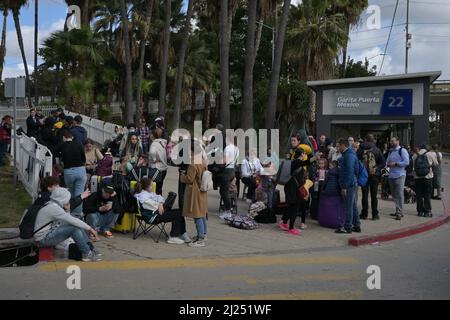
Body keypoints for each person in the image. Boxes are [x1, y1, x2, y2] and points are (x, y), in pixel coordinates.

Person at [33, 187, 102, 262]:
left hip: (47, 234)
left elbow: (68, 220)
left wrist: (68, 209)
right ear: (62, 199)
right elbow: (72, 220)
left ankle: (89, 249)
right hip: (43, 239)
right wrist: (90, 228)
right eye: (67, 199)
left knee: (77, 224)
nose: (68, 201)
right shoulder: (54, 208)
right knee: (74, 228)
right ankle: (87, 253)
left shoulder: (52, 204)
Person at [135, 177, 191, 244]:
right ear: (146, 187)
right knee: (177, 214)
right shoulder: (142, 197)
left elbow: (160, 197)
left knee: (180, 211)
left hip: (157, 213)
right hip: (152, 217)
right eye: (151, 185)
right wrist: (159, 204)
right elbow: (154, 206)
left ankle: (182, 233)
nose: (152, 187)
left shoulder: (149, 193)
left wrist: (161, 204)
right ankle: (173, 236)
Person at [279, 134, 314, 235]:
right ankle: (291, 228)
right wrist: (315, 157)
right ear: (301, 155)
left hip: (291, 187)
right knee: (294, 207)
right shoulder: (297, 162)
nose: (304, 156)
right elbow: (307, 162)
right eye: (303, 154)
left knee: (290, 206)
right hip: (293, 188)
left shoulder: (293, 162)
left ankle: (284, 222)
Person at [180, 143, 208, 247]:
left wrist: (182, 176)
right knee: (202, 213)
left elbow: (189, 179)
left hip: (195, 192)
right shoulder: (203, 162)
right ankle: (203, 234)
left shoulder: (193, 164)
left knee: (197, 215)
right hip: (203, 191)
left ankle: (200, 239)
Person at [54, 131, 87, 217]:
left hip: (68, 171)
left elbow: (55, 153)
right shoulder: (78, 144)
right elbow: (83, 158)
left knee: (71, 192)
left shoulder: (62, 145)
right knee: (79, 193)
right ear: (72, 137)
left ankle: (71, 212)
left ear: (64, 137)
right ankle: (77, 214)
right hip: (80, 170)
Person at [335, 138, 361, 234]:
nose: (337, 148)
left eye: (338, 146)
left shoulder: (349, 155)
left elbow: (350, 172)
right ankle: (357, 225)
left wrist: (344, 186)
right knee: (353, 205)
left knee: (348, 206)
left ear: (343, 145)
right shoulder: (349, 154)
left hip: (349, 185)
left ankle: (347, 227)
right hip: (351, 183)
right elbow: (356, 170)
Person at [357, 134, 385, 221]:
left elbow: (357, 161)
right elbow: (383, 163)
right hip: (374, 175)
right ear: (373, 140)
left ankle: (364, 214)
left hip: (364, 175)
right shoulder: (377, 150)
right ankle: (375, 214)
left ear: (365, 139)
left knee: (364, 195)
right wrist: (377, 168)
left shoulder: (360, 149)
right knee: (374, 196)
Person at [386, 137, 410, 221]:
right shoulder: (391, 151)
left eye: (393, 141)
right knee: (394, 195)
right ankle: (397, 210)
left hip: (400, 175)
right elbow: (387, 162)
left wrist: (396, 164)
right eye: (391, 141)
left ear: (397, 141)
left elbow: (406, 162)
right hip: (391, 175)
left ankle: (400, 212)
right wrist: (388, 165)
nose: (391, 142)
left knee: (399, 194)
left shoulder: (402, 150)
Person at [412, 145, 439, 218]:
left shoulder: (415, 155)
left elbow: (413, 166)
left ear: (420, 148)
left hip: (418, 178)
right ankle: (427, 212)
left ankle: (420, 211)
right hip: (428, 177)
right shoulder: (430, 154)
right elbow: (436, 163)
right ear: (427, 148)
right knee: (427, 195)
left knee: (419, 195)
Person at [218, 134, 239, 218]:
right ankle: (227, 210)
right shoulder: (236, 148)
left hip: (226, 171)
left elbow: (225, 161)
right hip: (232, 171)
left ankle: (228, 211)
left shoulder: (227, 148)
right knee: (224, 191)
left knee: (224, 192)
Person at [149, 127, 168, 195]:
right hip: (164, 168)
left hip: (157, 169)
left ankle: (156, 203)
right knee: (159, 188)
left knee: (155, 188)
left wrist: (154, 159)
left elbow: (152, 152)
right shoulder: (162, 143)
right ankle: (160, 203)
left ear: (152, 135)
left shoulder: (154, 144)